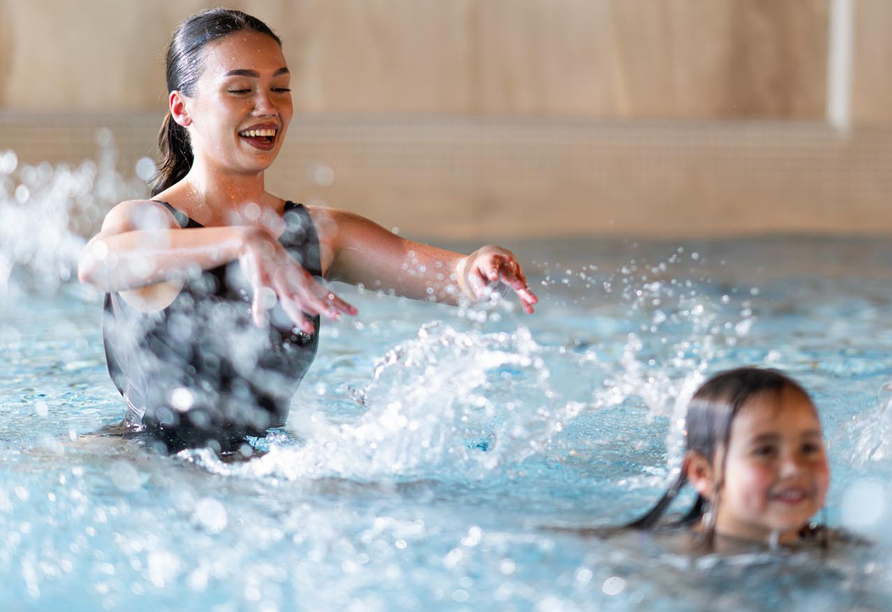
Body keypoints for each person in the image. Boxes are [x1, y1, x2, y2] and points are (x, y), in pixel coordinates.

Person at [77, 8, 537, 453]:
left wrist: (478, 266)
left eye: (280, 88)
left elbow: (453, 280)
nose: (266, 107)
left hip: (267, 471)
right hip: (151, 471)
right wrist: (243, 240)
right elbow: (96, 265)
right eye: (240, 89)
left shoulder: (316, 234)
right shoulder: (148, 222)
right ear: (183, 109)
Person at [626, 367, 832, 550]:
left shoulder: (837, 550)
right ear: (703, 474)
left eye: (808, 448)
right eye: (765, 451)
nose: (794, 468)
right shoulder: (663, 560)